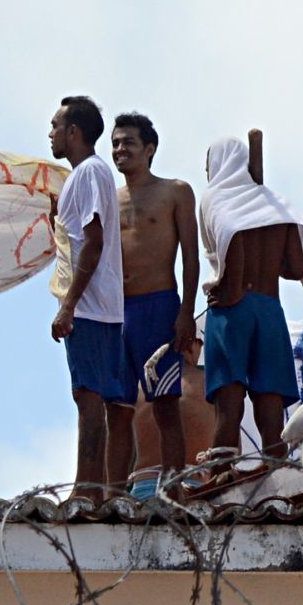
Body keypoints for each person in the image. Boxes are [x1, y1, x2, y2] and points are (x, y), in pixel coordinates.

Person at [198, 136, 303, 467]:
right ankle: (276, 470)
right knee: (269, 400)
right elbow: (297, 268)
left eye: (208, 163)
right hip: (269, 311)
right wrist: (268, 260)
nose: (206, 170)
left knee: (230, 397)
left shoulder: (216, 197)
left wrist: (235, 283)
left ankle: (223, 468)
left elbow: (230, 232)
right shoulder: (275, 205)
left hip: (232, 308)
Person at [107, 112, 198, 490]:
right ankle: (112, 495)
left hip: (159, 306)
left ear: (149, 149)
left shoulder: (175, 191)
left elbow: (190, 257)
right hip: (117, 311)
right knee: (117, 409)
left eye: (127, 142)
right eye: (114, 143)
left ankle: (173, 484)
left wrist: (186, 313)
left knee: (164, 402)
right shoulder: (110, 198)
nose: (120, 150)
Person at [47, 96, 127, 500]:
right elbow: (79, 237)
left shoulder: (90, 172)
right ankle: (93, 487)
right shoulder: (86, 176)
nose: (51, 133)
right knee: (94, 395)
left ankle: (87, 490)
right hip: (97, 305)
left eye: (56, 125)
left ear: (73, 132)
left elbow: (92, 242)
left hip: (91, 307)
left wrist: (69, 304)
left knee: (89, 395)